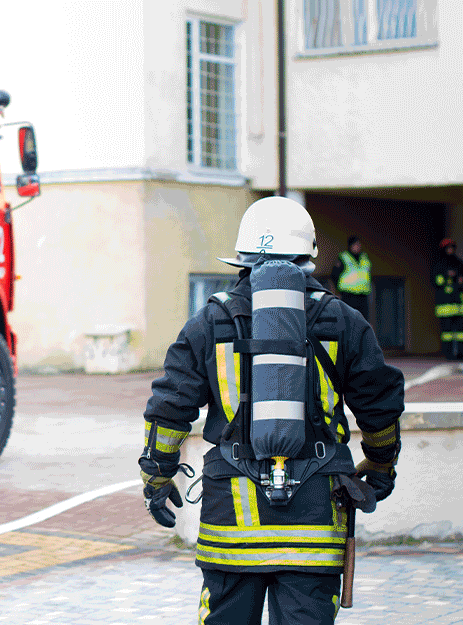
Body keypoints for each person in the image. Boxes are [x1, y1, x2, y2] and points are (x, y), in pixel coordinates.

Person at [140, 196, 403, 625]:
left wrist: (156, 476)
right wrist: (380, 465)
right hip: (315, 523)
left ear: (242, 258)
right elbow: (381, 404)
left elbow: (169, 408)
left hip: (231, 524)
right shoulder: (343, 319)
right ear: (308, 256)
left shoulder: (210, 322)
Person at [431, 238, 463, 359]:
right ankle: (448, 354)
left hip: (459, 305)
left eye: (451, 247)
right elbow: (436, 281)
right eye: (447, 248)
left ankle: (460, 353)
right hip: (444, 305)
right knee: (447, 333)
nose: (450, 250)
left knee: (460, 333)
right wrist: (447, 277)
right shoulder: (439, 265)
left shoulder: (459, 264)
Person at [330, 235, 372, 321]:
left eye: (359, 244)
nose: (358, 246)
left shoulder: (364, 257)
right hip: (348, 295)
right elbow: (334, 275)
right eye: (355, 244)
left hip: (362, 296)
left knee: (362, 321)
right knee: (348, 320)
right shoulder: (344, 257)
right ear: (350, 245)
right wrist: (337, 292)